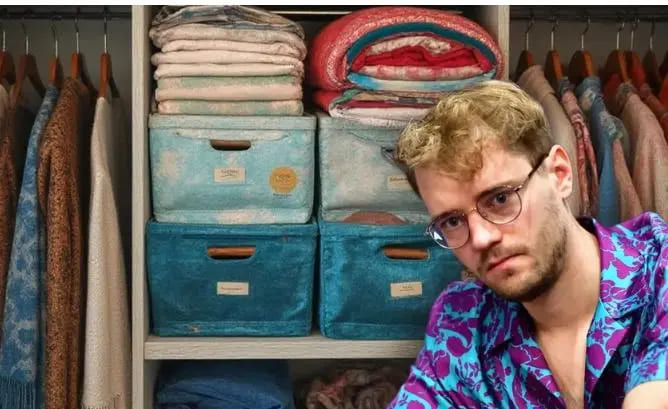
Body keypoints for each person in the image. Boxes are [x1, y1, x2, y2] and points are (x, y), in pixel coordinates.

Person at [387, 80, 667, 409]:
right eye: (452, 222)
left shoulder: (657, 271)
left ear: (560, 174)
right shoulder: (463, 323)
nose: (481, 238)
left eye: (500, 198)